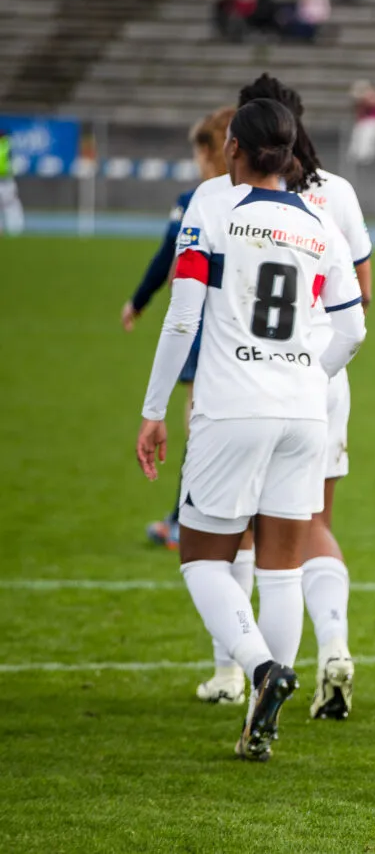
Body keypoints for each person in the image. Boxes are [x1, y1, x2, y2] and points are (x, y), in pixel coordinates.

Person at [136, 98, 367, 761]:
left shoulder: (212, 205)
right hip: (304, 410)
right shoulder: (320, 223)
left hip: (231, 405)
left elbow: (182, 318)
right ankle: (261, 727)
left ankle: (262, 669)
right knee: (283, 568)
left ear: (234, 146)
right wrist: (303, 373)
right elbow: (353, 328)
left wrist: (154, 410)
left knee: (203, 557)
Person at [123, 105, 236, 553]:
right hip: (248, 331)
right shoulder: (261, 200)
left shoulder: (197, 201)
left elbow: (165, 254)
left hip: (203, 321)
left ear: (211, 151)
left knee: (198, 421)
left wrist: (138, 300)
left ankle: (184, 517)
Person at [0, 128, 24, 235]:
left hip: (5, 179)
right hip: (6, 180)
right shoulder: (7, 145)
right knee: (11, 205)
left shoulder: (7, 145)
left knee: (8, 205)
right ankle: (16, 230)